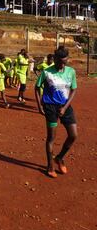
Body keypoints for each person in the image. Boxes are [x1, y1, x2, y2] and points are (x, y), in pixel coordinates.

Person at [35, 46, 78, 178]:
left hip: (65, 106)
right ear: (55, 59)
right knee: (51, 138)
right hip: (50, 107)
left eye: (65, 61)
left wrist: (65, 108)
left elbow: (73, 89)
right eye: (60, 62)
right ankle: (50, 165)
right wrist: (39, 106)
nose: (62, 64)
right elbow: (37, 88)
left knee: (73, 135)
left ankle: (59, 158)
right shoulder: (47, 72)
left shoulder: (71, 72)